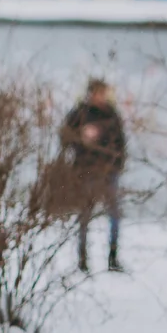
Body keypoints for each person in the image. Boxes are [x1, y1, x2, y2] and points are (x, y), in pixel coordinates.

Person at [61, 79, 126, 272]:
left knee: (114, 214)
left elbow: (121, 142)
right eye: (98, 92)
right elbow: (66, 138)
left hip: (109, 171)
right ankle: (82, 259)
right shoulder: (80, 114)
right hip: (86, 170)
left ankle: (113, 257)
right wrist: (82, 138)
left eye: (103, 92)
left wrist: (117, 164)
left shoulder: (112, 114)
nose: (101, 96)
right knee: (85, 214)